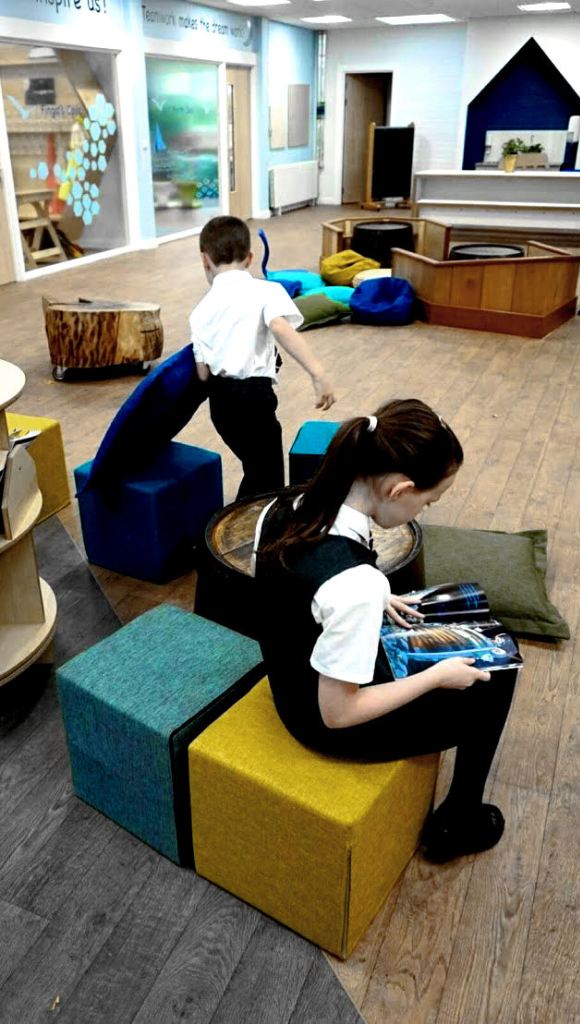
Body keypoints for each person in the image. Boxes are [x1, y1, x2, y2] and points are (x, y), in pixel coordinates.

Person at [254, 398, 519, 863]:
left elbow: (302, 594)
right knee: (496, 672)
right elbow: (338, 714)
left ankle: (460, 809)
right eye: (428, 501)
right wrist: (436, 677)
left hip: (290, 672)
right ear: (399, 489)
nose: (425, 511)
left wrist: (378, 597)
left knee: (461, 616)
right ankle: (457, 820)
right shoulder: (355, 583)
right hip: (321, 719)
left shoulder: (290, 504)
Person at [189, 215, 335, 499]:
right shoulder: (266, 291)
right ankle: (251, 531)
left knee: (256, 468)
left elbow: (203, 373)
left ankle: (249, 522)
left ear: (205, 260)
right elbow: (280, 327)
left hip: (221, 407)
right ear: (251, 257)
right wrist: (318, 372)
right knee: (267, 479)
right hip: (253, 401)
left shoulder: (200, 311)